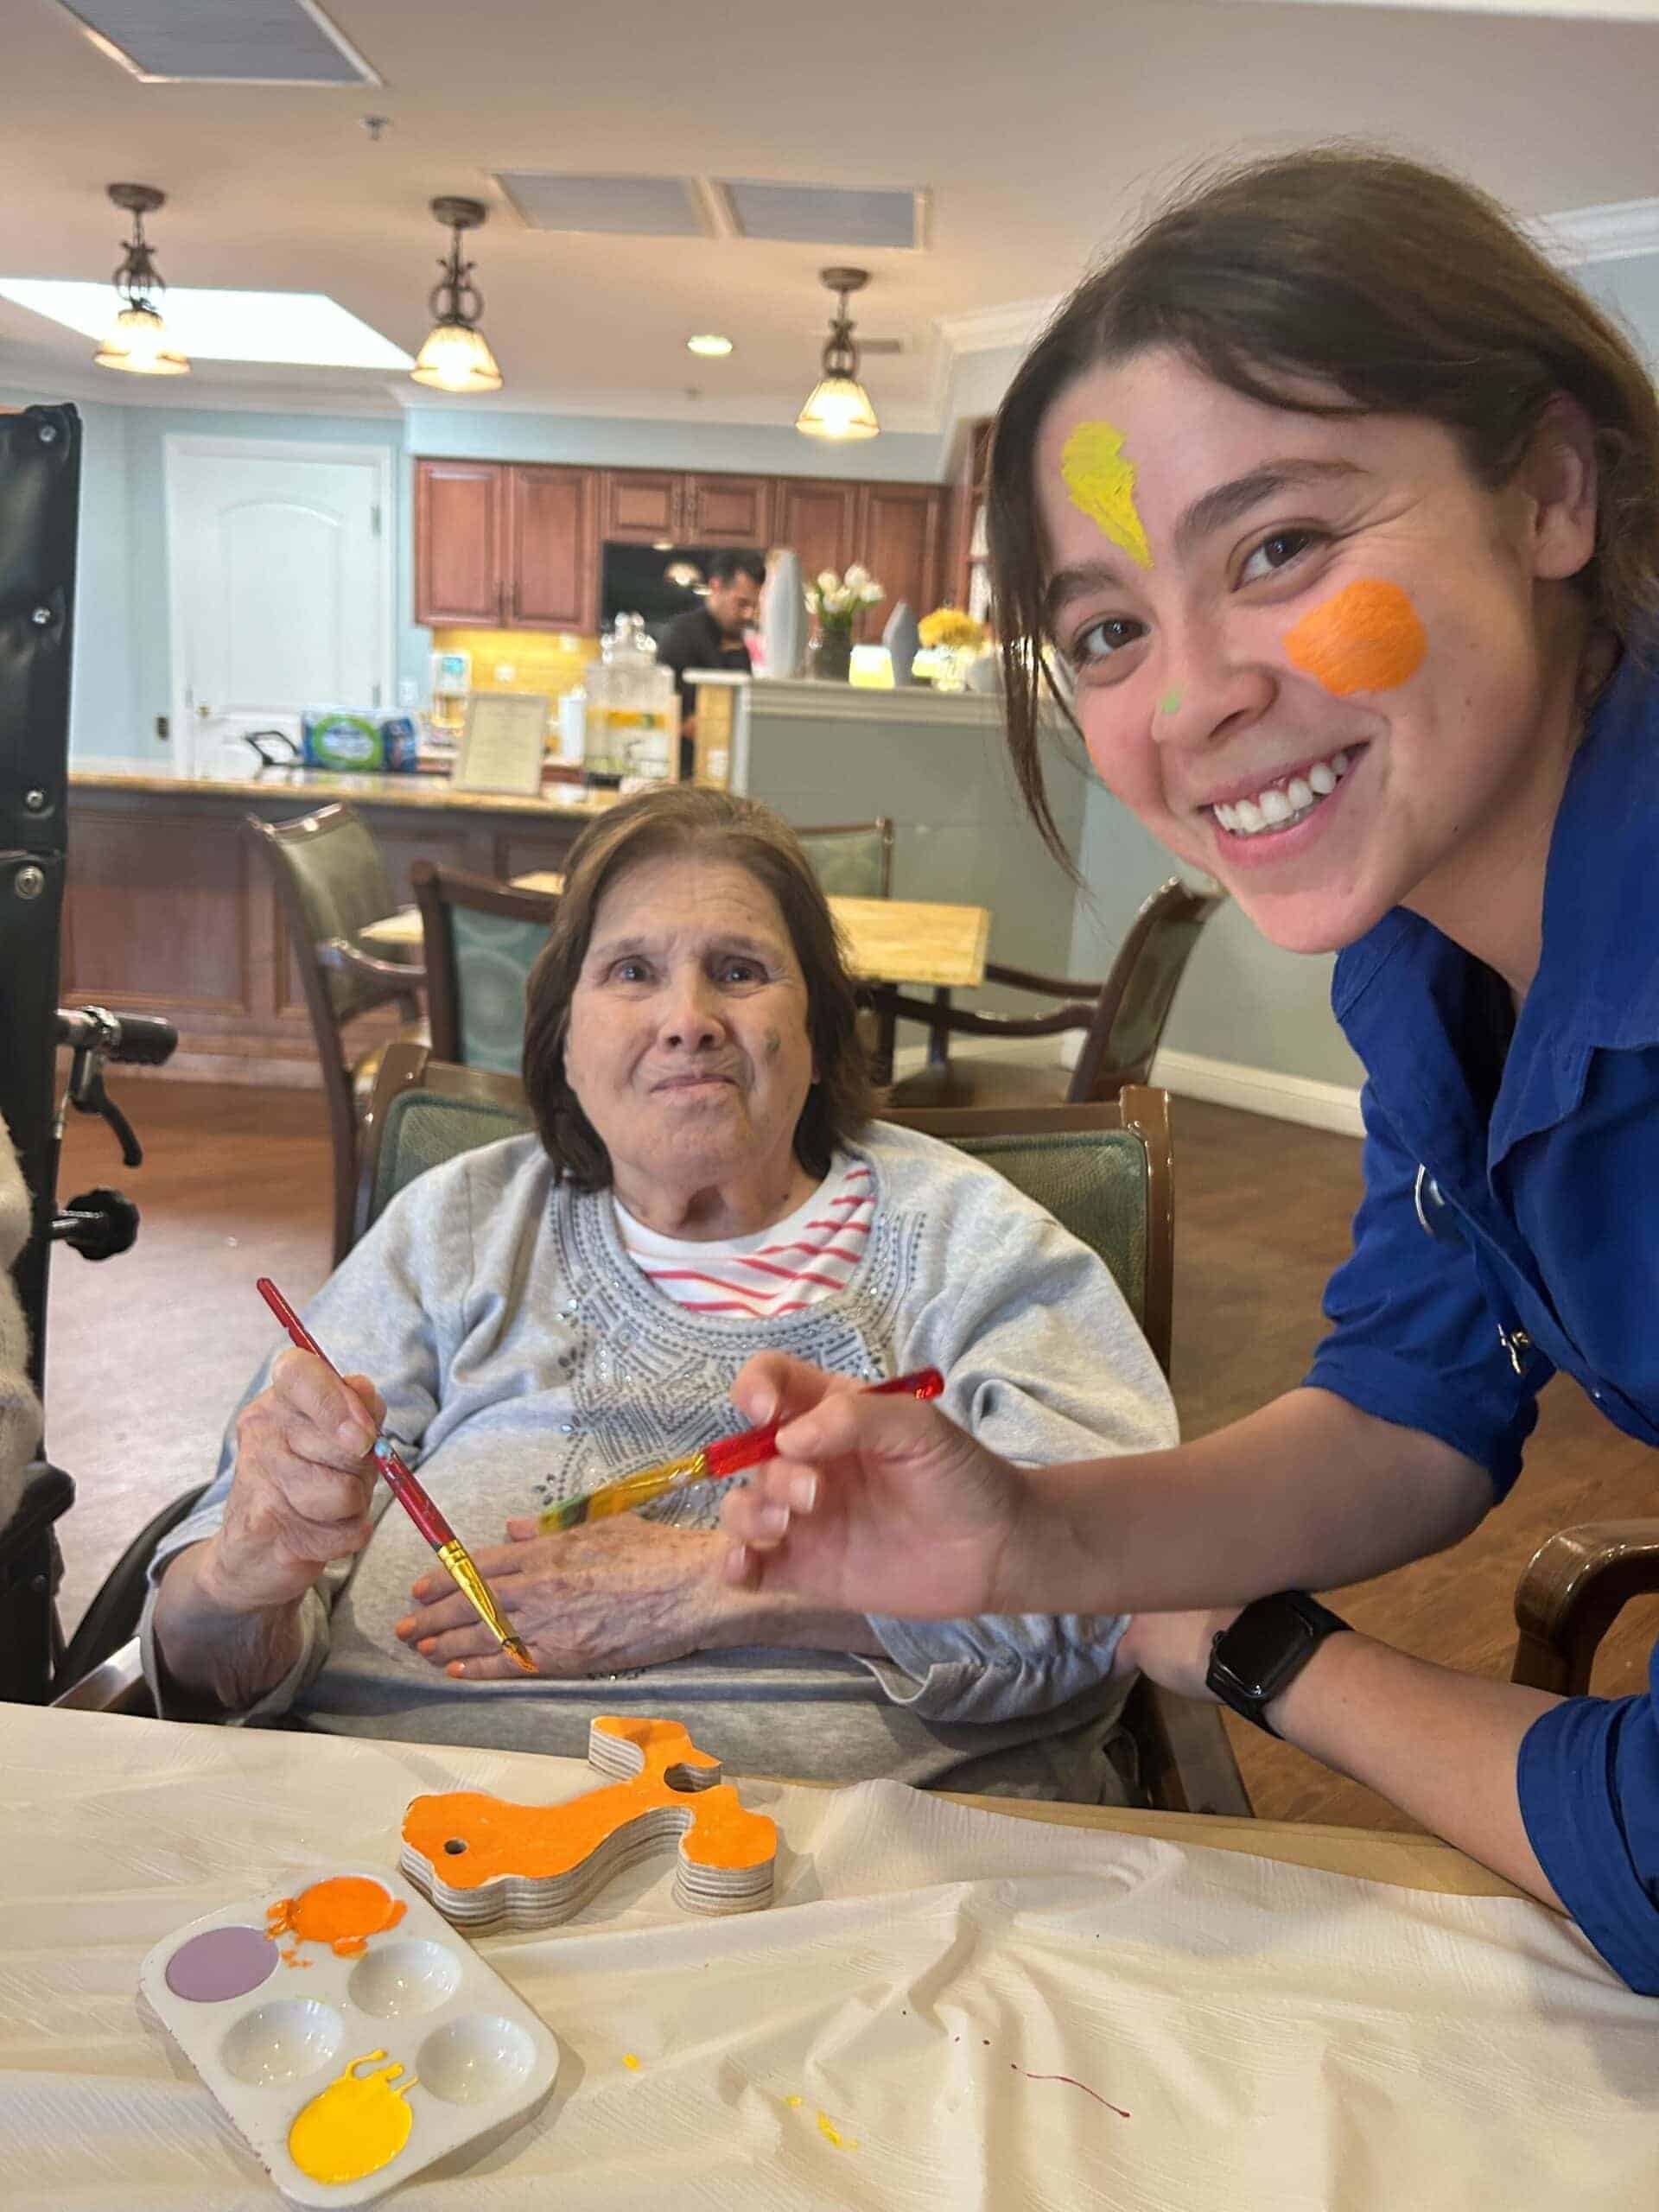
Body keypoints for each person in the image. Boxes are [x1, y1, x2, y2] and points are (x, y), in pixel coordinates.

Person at [719, 147, 1659, 1992]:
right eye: (1109, 630)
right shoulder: (1425, 961)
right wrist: (1025, 1535)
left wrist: (1262, 1650)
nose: (1192, 695)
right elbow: (1414, 1397)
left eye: (1283, 545)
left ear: (1552, 489)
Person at [142, 786, 1173, 1797]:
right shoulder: (456, 1228)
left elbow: (1117, 1586)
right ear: (564, 1044)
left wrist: (733, 1584)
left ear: (815, 1034)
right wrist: (242, 1579)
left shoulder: (971, 1243)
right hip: (394, 1856)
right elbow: (210, 1670)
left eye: (739, 971)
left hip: (854, 1880)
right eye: (632, 971)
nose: (689, 1019)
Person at [656, 550, 764, 777]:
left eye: (754, 606)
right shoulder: (681, 636)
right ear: (716, 587)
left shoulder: (739, 643)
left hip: (721, 774)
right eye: (742, 603)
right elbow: (675, 719)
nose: (748, 614)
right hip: (682, 776)